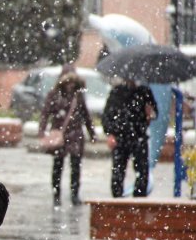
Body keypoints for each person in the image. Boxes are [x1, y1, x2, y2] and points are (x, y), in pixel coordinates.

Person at [38, 66, 97, 206]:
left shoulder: (78, 96)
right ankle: (56, 195)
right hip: (60, 135)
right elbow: (45, 113)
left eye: (72, 82)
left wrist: (92, 133)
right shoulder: (54, 95)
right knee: (58, 166)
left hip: (76, 135)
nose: (70, 85)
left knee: (76, 166)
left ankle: (74, 194)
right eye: (67, 82)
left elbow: (86, 116)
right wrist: (42, 130)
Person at [102, 79, 157, 197]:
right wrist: (110, 133)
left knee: (142, 170)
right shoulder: (117, 92)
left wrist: (150, 112)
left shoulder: (144, 92)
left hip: (139, 135)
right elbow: (107, 115)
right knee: (118, 170)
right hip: (120, 136)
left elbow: (154, 112)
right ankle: (117, 198)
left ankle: (139, 198)